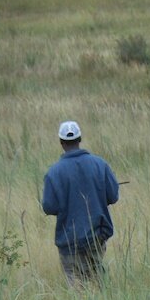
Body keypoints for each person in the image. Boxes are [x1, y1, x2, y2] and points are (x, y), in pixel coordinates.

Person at [42, 121, 119, 286]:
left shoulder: (53, 172)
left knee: (75, 287)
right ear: (80, 139)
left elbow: (49, 207)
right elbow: (113, 196)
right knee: (98, 283)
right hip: (96, 236)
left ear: (61, 143)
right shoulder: (101, 165)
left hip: (68, 240)